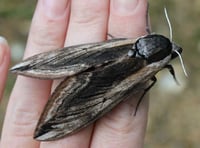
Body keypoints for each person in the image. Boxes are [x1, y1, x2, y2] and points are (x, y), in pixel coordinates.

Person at [1, 0, 149, 147]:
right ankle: (32, 69)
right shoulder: (149, 67)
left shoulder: (142, 49)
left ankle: (31, 69)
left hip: (99, 59)